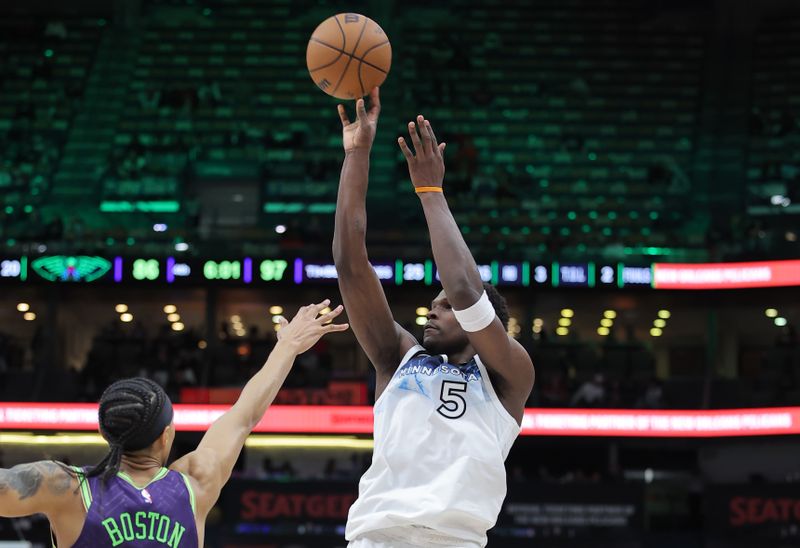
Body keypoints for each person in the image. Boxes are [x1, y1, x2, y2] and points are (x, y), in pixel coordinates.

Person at [333, 88, 535, 548]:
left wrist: (430, 191)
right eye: (434, 303)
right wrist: (357, 153)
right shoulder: (397, 357)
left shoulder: (509, 375)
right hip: (375, 538)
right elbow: (349, 262)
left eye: (444, 308)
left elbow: (465, 290)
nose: (432, 309)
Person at [0, 300, 347, 547]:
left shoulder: (65, 486)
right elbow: (244, 416)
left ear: (107, 433)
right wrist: (287, 347)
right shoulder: (195, 483)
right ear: (166, 436)